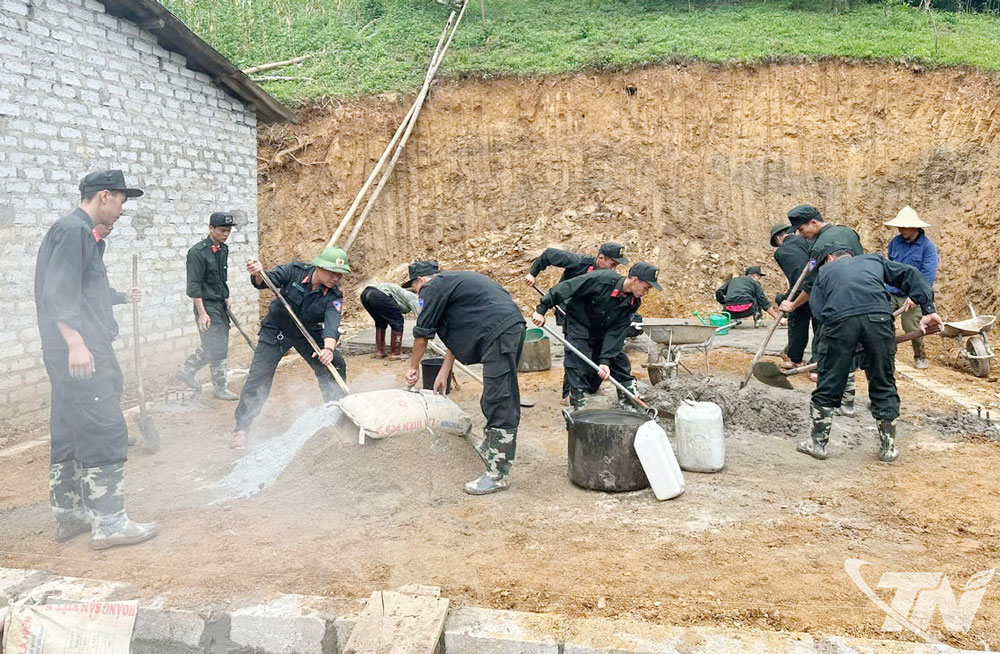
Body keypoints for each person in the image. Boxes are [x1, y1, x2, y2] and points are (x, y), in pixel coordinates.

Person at [34, 169, 158, 550]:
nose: (121, 209)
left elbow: (85, 291)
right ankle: (109, 523)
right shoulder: (74, 231)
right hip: (82, 350)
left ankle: (70, 513)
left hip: (67, 351)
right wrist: (76, 342)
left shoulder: (78, 233)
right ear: (104, 196)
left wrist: (119, 298)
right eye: (121, 200)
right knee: (104, 426)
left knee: (69, 427)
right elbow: (58, 293)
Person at [799, 242, 941, 462]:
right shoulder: (873, 259)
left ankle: (817, 444)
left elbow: (818, 311)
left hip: (840, 323)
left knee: (829, 382)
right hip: (880, 319)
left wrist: (841, 346)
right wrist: (928, 309)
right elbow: (911, 274)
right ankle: (888, 448)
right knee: (883, 381)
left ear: (829, 258)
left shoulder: (825, 272)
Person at [403, 261, 526, 495]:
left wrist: (413, 367)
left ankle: (497, 474)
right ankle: (490, 447)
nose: (418, 295)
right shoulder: (451, 284)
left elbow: (422, 335)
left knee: (499, 398)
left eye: (415, 289)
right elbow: (460, 331)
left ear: (420, 281)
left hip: (499, 333)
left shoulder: (431, 288)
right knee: (495, 393)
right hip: (505, 328)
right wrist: (444, 370)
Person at [231, 247, 351, 450]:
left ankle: (335, 414)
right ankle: (241, 428)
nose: (336, 278)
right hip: (277, 329)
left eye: (340, 274)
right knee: (259, 375)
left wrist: (328, 349)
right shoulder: (294, 271)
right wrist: (258, 272)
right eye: (332, 272)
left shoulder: (334, 295)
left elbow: (332, 323)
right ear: (319, 267)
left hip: (307, 332)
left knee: (335, 365)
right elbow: (264, 281)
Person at [532, 262, 662, 411]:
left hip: (602, 329)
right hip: (579, 323)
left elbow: (617, 332)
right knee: (578, 361)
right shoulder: (601, 279)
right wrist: (541, 309)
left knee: (619, 361)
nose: (647, 292)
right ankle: (578, 408)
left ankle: (630, 403)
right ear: (635, 280)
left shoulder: (633, 302)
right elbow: (566, 288)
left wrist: (605, 361)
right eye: (646, 287)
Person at [525, 242, 636, 399]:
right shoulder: (578, 262)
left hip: (592, 315)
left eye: (616, 266)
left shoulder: (609, 280)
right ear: (601, 258)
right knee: (576, 351)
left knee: (598, 350)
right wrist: (533, 273)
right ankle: (570, 392)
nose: (613, 270)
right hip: (569, 310)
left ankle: (589, 386)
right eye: (612, 265)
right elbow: (549, 254)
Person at [779, 204, 865, 390]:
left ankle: (820, 369)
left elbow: (811, 285)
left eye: (802, 229)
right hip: (861, 293)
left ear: (813, 222)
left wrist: (793, 304)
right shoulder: (849, 232)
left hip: (835, 296)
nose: (801, 234)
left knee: (824, 331)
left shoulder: (819, 247)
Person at [176, 212, 238, 399]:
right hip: (205, 304)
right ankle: (220, 387)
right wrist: (202, 313)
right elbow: (194, 286)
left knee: (218, 343)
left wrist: (226, 296)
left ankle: (187, 370)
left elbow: (221, 278)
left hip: (220, 303)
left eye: (228, 231)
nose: (225, 234)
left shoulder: (223, 250)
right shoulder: (197, 253)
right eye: (222, 230)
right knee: (216, 344)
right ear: (211, 228)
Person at [884, 206, 939, 369]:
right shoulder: (895, 243)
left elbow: (927, 276)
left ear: (914, 227)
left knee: (912, 327)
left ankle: (920, 356)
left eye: (904, 227)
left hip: (912, 295)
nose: (900, 230)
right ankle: (887, 354)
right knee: (883, 321)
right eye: (899, 226)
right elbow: (889, 267)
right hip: (892, 292)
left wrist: (916, 296)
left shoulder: (928, 248)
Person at [770, 223, 816, 369]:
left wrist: (794, 301)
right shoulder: (808, 241)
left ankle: (795, 360)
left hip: (805, 288)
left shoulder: (783, 251)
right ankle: (817, 365)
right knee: (820, 327)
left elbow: (798, 277)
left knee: (797, 322)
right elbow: (812, 263)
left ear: (778, 239)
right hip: (823, 286)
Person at [359, 281, 420, 360]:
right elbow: (420, 313)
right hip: (378, 295)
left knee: (380, 321)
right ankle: (395, 353)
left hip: (365, 294)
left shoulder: (400, 293)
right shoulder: (412, 296)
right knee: (397, 321)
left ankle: (380, 351)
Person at [714, 266, 781, 328]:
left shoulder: (733, 280)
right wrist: (777, 318)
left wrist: (723, 302)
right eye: (759, 277)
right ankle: (758, 319)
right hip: (747, 310)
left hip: (729, 311)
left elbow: (718, 292)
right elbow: (763, 301)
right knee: (757, 297)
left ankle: (733, 320)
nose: (759, 279)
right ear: (755, 275)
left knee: (732, 299)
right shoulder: (755, 283)